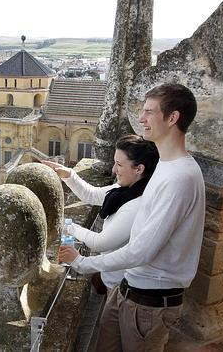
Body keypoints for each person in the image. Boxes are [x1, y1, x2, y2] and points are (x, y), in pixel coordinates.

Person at [59, 83, 206, 352]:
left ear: (172, 118)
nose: (141, 118)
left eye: (149, 112)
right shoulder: (165, 165)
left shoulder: (179, 178)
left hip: (149, 302)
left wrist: (83, 263)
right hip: (129, 289)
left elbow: (141, 251)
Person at [42, 135, 159, 294]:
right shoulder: (127, 189)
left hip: (123, 288)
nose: (114, 170)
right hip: (115, 281)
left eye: (119, 164)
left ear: (139, 169)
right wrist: (68, 175)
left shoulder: (137, 204)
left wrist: (68, 226)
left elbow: (100, 243)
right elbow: (92, 195)